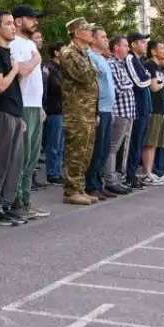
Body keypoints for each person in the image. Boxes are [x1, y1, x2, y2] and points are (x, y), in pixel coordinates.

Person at [0, 10, 30, 224]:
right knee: (0, 162)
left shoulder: (8, 51)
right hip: (2, 112)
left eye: (14, 23)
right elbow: (0, 86)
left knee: (15, 162)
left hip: (15, 112)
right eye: (8, 23)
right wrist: (15, 69)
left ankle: (7, 203)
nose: (13, 27)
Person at [8, 5, 48, 219]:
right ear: (18, 21)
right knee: (20, 158)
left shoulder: (31, 43)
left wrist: (41, 105)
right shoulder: (14, 43)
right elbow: (21, 72)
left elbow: (35, 80)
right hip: (21, 106)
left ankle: (26, 200)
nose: (35, 22)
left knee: (32, 158)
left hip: (34, 106)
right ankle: (14, 201)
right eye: (31, 18)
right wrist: (35, 59)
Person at [57, 18, 99, 205]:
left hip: (87, 110)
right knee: (76, 151)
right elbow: (85, 76)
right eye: (86, 29)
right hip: (76, 111)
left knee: (86, 151)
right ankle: (71, 190)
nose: (91, 32)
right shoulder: (69, 53)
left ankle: (79, 188)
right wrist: (92, 68)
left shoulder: (83, 53)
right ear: (76, 32)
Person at [83, 26, 116, 200]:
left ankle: (98, 183)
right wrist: (94, 109)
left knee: (103, 150)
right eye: (102, 37)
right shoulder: (90, 57)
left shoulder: (102, 58)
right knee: (96, 150)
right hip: (99, 109)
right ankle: (91, 185)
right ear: (93, 39)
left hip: (108, 109)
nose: (106, 39)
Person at [124, 33, 157, 188]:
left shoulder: (139, 61)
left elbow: (147, 79)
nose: (145, 45)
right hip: (137, 108)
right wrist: (150, 79)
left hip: (145, 108)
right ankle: (129, 176)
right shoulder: (130, 58)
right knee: (134, 143)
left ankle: (133, 174)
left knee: (139, 143)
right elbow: (138, 82)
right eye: (142, 42)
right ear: (133, 44)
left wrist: (149, 78)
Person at [104, 36, 136, 194]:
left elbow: (129, 84)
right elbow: (121, 87)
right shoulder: (111, 64)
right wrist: (131, 83)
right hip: (119, 112)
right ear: (116, 47)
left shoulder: (121, 65)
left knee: (118, 148)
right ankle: (110, 179)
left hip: (128, 112)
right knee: (112, 147)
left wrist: (130, 84)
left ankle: (116, 177)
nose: (128, 48)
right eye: (125, 45)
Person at [141, 42, 164, 184]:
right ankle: (146, 173)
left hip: (161, 108)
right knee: (150, 142)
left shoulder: (159, 67)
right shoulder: (150, 65)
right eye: (161, 48)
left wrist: (160, 83)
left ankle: (150, 172)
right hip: (153, 108)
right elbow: (153, 86)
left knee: (155, 143)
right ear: (153, 51)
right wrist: (162, 83)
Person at [41, 43, 65, 185]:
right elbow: (52, 87)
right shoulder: (49, 67)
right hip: (53, 109)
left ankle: (58, 171)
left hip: (62, 109)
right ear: (56, 52)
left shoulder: (62, 68)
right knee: (53, 144)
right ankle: (52, 173)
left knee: (61, 144)